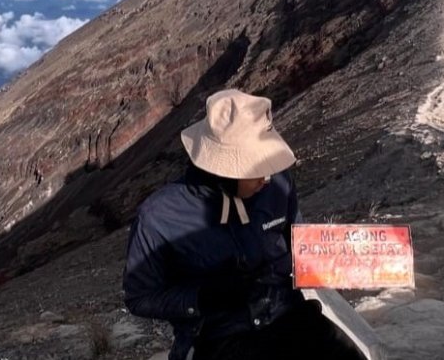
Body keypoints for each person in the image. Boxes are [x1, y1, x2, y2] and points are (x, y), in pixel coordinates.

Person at [123, 89, 364, 360]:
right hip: (218, 336)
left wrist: (346, 262)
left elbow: (300, 246)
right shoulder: (158, 216)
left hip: (288, 315)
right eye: (256, 169)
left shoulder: (278, 185)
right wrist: (203, 297)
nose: (267, 178)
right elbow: (139, 297)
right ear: (221, 169)